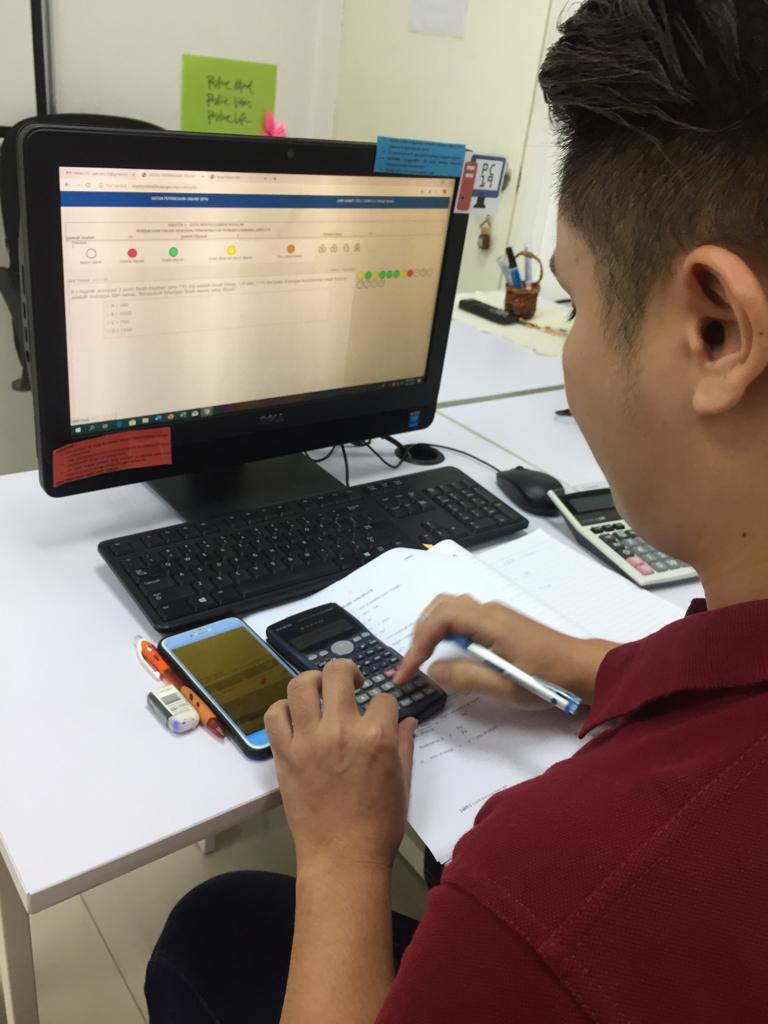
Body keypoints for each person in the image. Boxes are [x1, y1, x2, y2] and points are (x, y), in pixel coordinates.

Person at [145, 1, 768, 1020]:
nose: (566, 343)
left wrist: (343, 851)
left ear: (716, 331)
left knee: (208, 934)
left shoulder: (553, 885)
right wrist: (599, 666)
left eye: (572, 301)